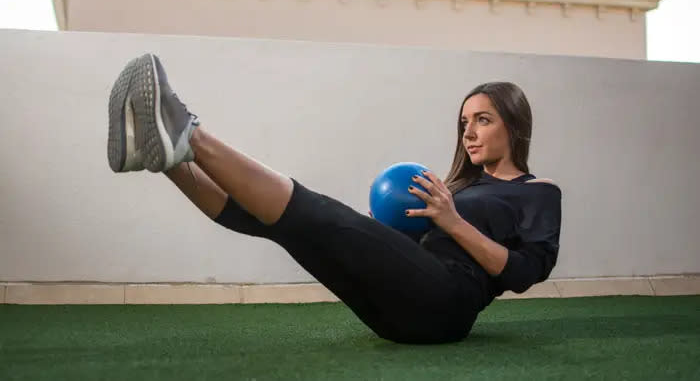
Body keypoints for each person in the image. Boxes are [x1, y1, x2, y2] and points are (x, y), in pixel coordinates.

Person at [107, 54, 562, 345]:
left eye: (483, 119)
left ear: (514, 126)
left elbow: (525, 273)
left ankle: (187, 133)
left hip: (447, 306)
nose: (468, 131)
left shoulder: (538, 193)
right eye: (465, 121)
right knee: (287, 226)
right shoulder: (459, 187)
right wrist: (382, 233)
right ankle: (165, 160)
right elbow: (421, 244)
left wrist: (451, 221)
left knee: (317, 213)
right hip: (398, 317)